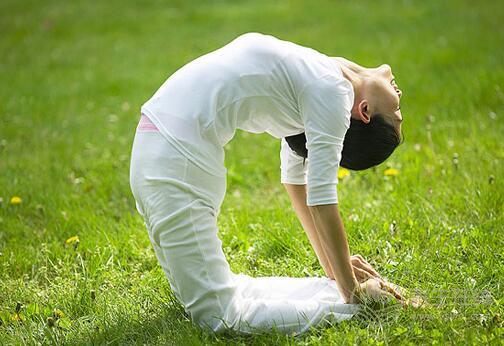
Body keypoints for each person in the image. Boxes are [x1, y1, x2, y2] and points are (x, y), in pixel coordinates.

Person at [129, 32, 404, 335]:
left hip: (167, 155)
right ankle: (354, 301)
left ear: (364, 111)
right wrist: (346, 284)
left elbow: (303, 187)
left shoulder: (326, 89)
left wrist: (341, 278)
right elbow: (311, 193)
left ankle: (354, 303)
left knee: (216, 312)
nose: (400, 99)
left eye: (397, 115)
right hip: (168, 157)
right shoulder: (323, 77)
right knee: (216, 311)